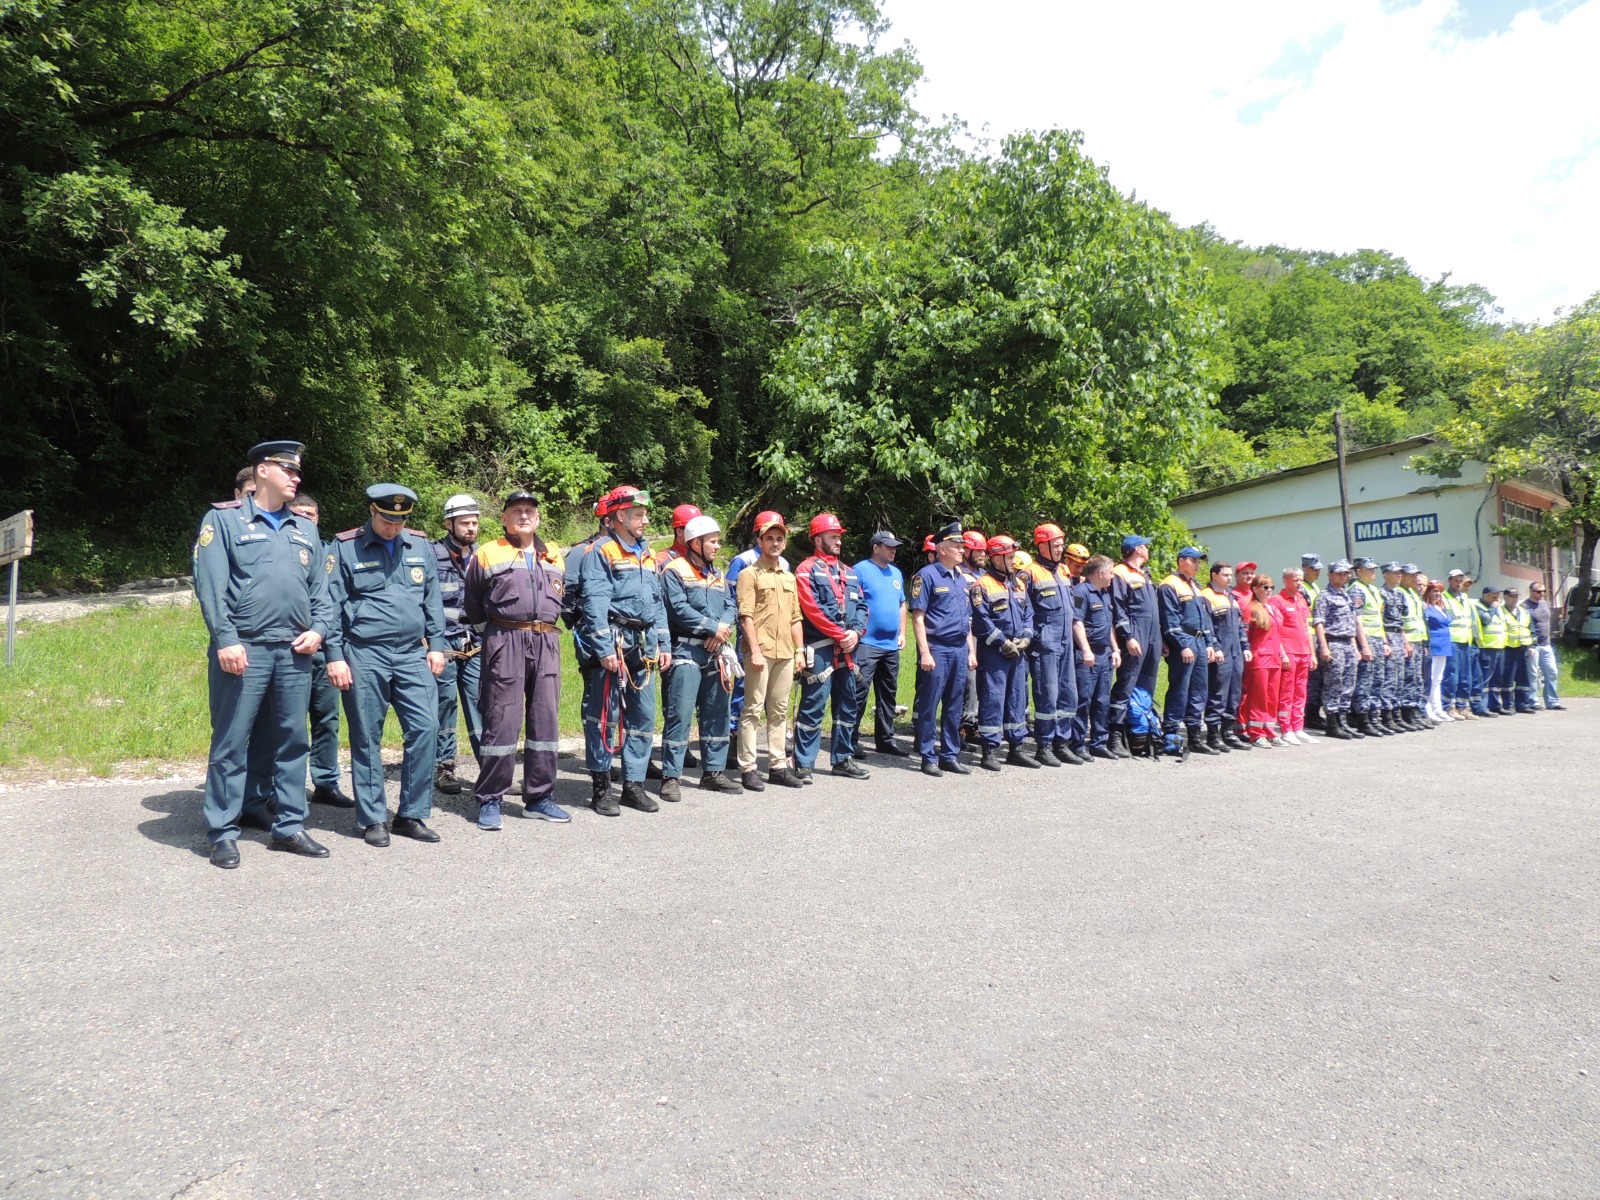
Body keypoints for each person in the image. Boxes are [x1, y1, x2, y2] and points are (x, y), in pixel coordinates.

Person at [193, 441, 335, 869]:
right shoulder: (225, 521)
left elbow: (321, 594)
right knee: (232, 742)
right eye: (287, 470)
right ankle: (222, 830)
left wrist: (319, 630)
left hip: (294, 651)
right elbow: (211, 588)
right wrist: (226, 639)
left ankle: (290, 825)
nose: (296, 478)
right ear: (262, 472)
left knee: (292, 740)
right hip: (245, 649)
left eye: (298, 472)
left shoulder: (304, 528)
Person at [325, 484, 448, 847]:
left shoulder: (419, 545)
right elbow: (331, 605)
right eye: (388, 519)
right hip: (364, 653)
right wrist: (335, 655)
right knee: (366, 736)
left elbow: (432, 599)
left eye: (401, 520)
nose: (394, 527)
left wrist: (437, 645)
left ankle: (410, 814)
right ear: (373, 511)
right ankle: (373, 818)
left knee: (426, 728)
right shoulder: (345, 547)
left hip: (412, 653)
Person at [462, 489, 570, 829]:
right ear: (505, 519)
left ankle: (539, 797)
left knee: (546, 722)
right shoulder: (487, 553)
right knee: (501, 721)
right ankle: (491, 799)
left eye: (530, 511)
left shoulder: (554, 554)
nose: (524, 515)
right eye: (517, 511)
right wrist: (494, 634)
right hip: (505, 639)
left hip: (547, 641)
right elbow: (473, 603)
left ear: (537, 519)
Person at [580, 485, 671, 815]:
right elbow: (595, 604)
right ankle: (602, 788)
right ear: (620, 516)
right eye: (640, 515)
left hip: (643, 646)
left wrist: (663, 643)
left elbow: (658, 604)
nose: (646, 521)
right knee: (606, 716)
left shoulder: (647, 553)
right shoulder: (601, 552)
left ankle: (634, 785)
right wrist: (604, 647)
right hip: (615, 644)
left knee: (645, 717)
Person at [659, 515, 743, 800]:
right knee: (679, 715)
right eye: (713, 541)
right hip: (685, 650)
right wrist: (712, 627)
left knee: (717, 713)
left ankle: (714, 773)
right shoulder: (674, 570)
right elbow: (677, 609)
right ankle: (671, 776)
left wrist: (723, 630)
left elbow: (731, 604)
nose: (718, 546)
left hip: (715, 650)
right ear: (696, 542)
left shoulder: (718, 574)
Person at [286, 493, 355, 806]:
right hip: (290, 650)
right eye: (298, 514)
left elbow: (338, 601)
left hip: (326, 651)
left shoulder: (330, 552)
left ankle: (326, 782)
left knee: (327, 720)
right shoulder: (280, 547)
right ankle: (285, 789)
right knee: (290, 724)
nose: (305, 519)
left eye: (310, 515)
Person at [793, 513, 870, 782]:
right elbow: (811, 609)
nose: (838, 541)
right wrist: (840, 634)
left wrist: (856, 632)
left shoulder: (850, 573)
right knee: (813, 705)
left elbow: (861, 605)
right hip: (821, 648)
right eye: (833, 536)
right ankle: (803, 763)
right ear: (818, 538)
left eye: (839, 537)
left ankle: (843, 758)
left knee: (848, 703)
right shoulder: (805, 569)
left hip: (848, 647)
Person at [735, 512, 805, 791]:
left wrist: (799, 650)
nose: (775, 543)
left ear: (784, 544)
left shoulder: (789, 577)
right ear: (760, 541)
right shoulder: (748, 574)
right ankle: (749, 768)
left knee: (779, 710)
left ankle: (777, 766)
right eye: (770, 538)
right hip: (760, 652)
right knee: (752, 709)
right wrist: (753, 650)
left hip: (786, 653)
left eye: (779, 539)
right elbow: (745, 616)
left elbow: (796, 617)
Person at [910, 523, 977, 777]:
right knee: (929, 704)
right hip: (937, 648)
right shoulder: (926, 576)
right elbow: (918, 618)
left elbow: (967, 620)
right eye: (957, 547)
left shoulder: (961, 578)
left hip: (959, 648)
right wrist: (925, 652)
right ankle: (928, 755)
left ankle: (949, 754)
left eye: (963, 547)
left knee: (954, 705)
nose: (962, 551)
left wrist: (971, 651)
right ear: (942, 549)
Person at [431, 493, 485, 796]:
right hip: (444, 643)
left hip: (476, 643)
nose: (471, 527)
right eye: (465, 522)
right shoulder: (430, 554)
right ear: (448, 523)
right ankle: (444, 767)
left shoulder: (483, 554)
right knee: (444, 706)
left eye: (475, 522)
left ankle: (489, 767)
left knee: (482, 705)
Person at [970, 535, 1036, 771]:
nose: (1013, 561)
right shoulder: (982, 586)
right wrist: (1003, 643)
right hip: (995, 654)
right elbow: (981, 621)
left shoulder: (1018, 583)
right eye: (1009, 557)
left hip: (1018, 652)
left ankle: (1016, 748)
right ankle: (989, 750)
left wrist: (1026, 638)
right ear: (996, 558)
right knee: (992, 699)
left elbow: (1029, 613)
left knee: (1017, 698)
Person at [1020, 524, 1082, 767]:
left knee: (1069, 695)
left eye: (1061, 545)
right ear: (1042, 545)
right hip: (1045, 644)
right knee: (1048, 695)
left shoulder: (1064, 572)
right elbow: (1023, 611)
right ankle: (1044, 745)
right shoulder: (1029, 574)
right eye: (1056, 545)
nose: (1060, 549)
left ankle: (1061, 743)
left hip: (1066, 643)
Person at [851, 531, 911, 757]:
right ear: (876, 547)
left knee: (888, 694)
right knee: (860, 692)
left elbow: (902, 605)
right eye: (888, 546)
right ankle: (850, 739)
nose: (893, 550)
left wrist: (902, 633)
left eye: (895, 546)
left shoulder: (896, 573)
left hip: (890, 645)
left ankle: (885, 739)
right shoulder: (860, 570)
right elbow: (852, 603)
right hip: (867, 642)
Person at [1157, 546, 1216, 760]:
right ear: (1181, 561)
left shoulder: (1195, 586)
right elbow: (1169, 620)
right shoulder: (1169, 585)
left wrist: (1210, 643)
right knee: (1179, 690)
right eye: (1194, 561)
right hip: (1185, 641)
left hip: (1199, 642)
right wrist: (1182, 645)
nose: (1198, 565)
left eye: (1199, 562)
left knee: (1199, 690)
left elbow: (1205, 619)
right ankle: (1171, 737)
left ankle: (1194, 736)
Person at [1109, 535, 1160, 759]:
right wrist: (1128, 637)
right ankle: (1115, 734)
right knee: (1127, 684)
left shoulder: (1145, 574)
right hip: (1135, 634)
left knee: (1146, 686)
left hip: (1153, 636)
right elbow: (1118, 608)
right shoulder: (1121, 572)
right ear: (1137, 549)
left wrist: (1162, 641)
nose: (1148, 549)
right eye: (1146, 546)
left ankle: (1139, 732)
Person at [1313, 560, 1369, 740]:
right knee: (1333, 684)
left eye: (1346, 574)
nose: (1344, 576)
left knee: (1348, 685)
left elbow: (1351, 623)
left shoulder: (1346, 595)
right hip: (1333, 643)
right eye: (1340, 573)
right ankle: (1332, 723)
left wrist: (1355, 647)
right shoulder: (1324, 596)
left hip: (1348, 643)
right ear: (1330, 574)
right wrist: (1323, 646)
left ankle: (1342, 721)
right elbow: (1319, 623)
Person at [1072, 555, 1120, 759]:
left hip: (1104, 654)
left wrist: (1115, 649)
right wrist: (1085, 650)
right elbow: (1076, 622)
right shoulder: (1081, 592)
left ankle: (1099, 743)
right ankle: (1077, 744)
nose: (1112, 577)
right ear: (1101, 573)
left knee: (1102, 701)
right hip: (1087, 655)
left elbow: (1107, 624)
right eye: (1111, 572)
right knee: (1084, 700)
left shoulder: (1105, 594)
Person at [1200, 562, 1250, 753]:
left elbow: (1239, 625)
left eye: (1230, 575)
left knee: (1234, 692)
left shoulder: (1231, 597)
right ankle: (1213, 734)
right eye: (1225, 575)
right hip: (1221, 651)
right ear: (1214, 575)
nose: (1229, 578)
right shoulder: (1207, 596)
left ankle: (1228, 732)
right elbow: (1206, 626)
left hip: (1236, 651)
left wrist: (1245, 646)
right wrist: (1214, 646)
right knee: (1218, 692)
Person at [1241, 573, 1289, 745]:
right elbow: (1244, 634)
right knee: (1258, 696)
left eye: (1271, 588)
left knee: (1272, 697)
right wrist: (1247, 652)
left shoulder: (1273, 609)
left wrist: (1283, 654)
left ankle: (1269, 730)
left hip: (1274, 658)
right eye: (1265, 587)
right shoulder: (1251, 608)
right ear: (1255, 589)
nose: (1269, 591)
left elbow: (1278, 635)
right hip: (1259, 657)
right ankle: (1255, 732)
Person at [1271, 568, 1317, 744]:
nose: (1299, 583)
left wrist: (1312, 654)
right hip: (1289, 652)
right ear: (1285, 580)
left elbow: (1307, 629)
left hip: (1303, 652)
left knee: (1301, 692)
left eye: (1301, 580)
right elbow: (1276, 630)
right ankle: (1286, 728)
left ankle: (1298, 727)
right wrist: (1282, 654)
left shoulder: (1302, 600)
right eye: (1296, 579)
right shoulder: (1277, 600)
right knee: (1287, 692)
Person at [1347, 558, 1390, 736]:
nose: (1373, 572)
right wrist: (1364, 646)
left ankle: (1373, 718)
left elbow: (1378, 619)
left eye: (1374, 569)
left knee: (1377, 681)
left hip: (1378, 639)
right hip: (1366, 640)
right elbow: (1356, 620)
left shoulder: (1373, 589)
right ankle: (1361, 719)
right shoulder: (1356, 590)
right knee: (1364, 683)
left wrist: (1385, 641)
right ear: (1359, 571)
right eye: (1369, 569)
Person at [1377, 561, 1419, 732]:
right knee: (1389, 679)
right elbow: (1380, 620)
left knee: (1400, 679)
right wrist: (1385, 641)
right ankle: (1387, 717)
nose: (1399, 575)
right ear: (1386, 574)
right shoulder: (1380, 594)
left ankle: (1397, 715)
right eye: (1395, 573)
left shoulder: (1399, 594)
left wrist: (1405, 642)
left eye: (1400, 572)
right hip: (1387, 635)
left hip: (1398, 636)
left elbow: (1400, 622)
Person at [1522, 582, 1563, 710]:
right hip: (1533, 645)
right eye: (1538, 591)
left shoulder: (1545, 603)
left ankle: (1552, 701)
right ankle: (1533, 701)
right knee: (1533, 674)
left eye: (1543, 591)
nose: (1542, 594)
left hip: (1546, 645)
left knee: (1552, 672)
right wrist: (1529, 644)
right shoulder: (1524, 606)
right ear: (1531, 591)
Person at [1399, 564, 1430, 729]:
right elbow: (1399, 622)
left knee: (1418, 679)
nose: (1414, 578)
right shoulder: (1400, 593)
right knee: (1409, 679)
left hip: (1419, 642)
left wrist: (1424, 643)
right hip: (1408, 643)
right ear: (1402, 575)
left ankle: (1416, 710)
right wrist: (1405, 642)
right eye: (1411, 575)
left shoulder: (1413, 594)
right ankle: (1407, 713)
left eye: (1415, 575)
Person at [1441, 569, 1474, 719]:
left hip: (1466, 641)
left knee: (1466, 676)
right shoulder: (1444, 598)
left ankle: (1463, 707)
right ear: (1449, 581)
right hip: (1452, 641)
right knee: (1452, 676)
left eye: (1460, 581)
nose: (1458, 583)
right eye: (1455, 580)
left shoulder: (1465, 598)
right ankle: (1449, 706)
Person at [1299, 554, 1326, 728]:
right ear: (1306, 569)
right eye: (1315, 569)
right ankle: (1310, 714)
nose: (1318, 572)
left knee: (1319, 677)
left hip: (1316, 635)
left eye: (1319, 569)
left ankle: (1315, 712)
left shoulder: (1315, 587)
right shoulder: (1302, 588)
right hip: (1307, 636)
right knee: (1312, 678)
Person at [1501, 585, 1537, 713]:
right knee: (1508, 678)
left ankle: (1523, 704)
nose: (1514, 599)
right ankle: (1508, 705)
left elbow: (1531, 629)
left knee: (1523, 677)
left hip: (1523, 648)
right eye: (1511, 596)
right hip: (1508, 648)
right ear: (1505, 597)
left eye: (1516, 596)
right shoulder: (1501, 611)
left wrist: (1532, 646)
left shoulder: (1524, 611)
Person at [1423, 581, 1454, 722]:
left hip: (1444, 646)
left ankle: (1438, 708)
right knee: (1431, 679)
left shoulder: (1441, 607)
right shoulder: (1426, 608)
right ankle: (1429, 709)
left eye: (1439, 591)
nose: (1437, 594)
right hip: (1434, 645)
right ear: (1428, 592)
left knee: (1438, 679)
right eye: (1434, 591)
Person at [1476, 584, 1509, 714]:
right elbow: (1485, 621)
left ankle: (1495, 705)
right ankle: (1482, 706)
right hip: (1487, 647)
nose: (1496, 599)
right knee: (1485, 678)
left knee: (1497, 678)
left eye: (1497, 596)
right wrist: (1493, 609)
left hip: (1499, 647)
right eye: (1493, 596)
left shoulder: (1498, 608)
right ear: (1485, 596)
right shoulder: (1479, 607)